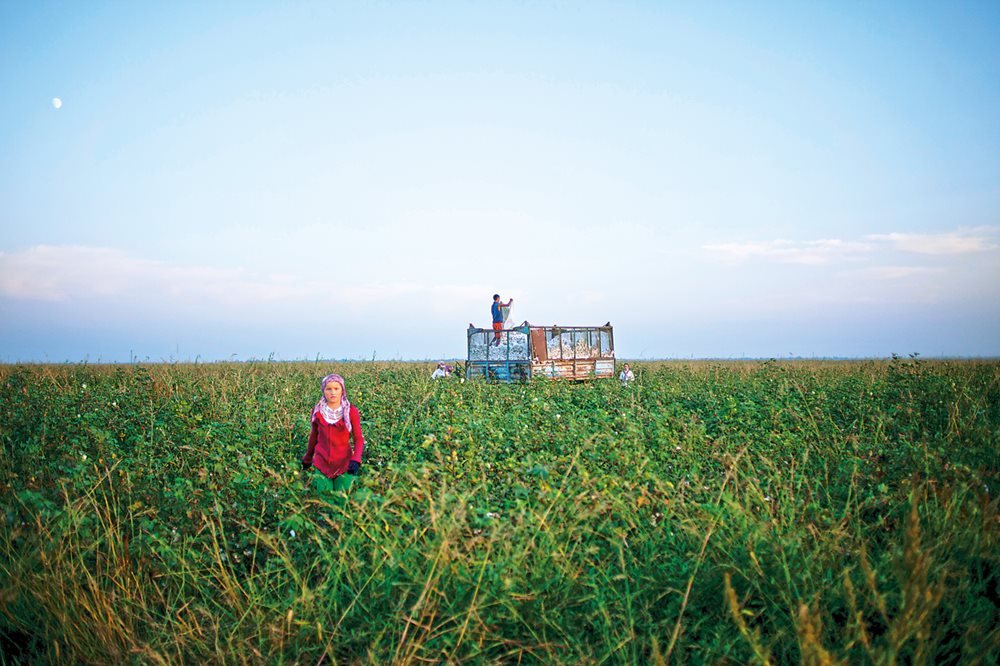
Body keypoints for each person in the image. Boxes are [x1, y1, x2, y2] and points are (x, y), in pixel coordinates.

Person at [302, 373, 365, 499]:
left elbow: (358, 438)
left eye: (336, 389)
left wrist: (356, 459)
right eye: (328, 389)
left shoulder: (351, 411)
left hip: (345, 465)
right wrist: (307, 459)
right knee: (325, 503)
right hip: (321, 464)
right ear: (323, 391)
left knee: (340, 503)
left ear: (342, 390)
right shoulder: (317, 411)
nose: (333, 392)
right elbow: (314, 437)